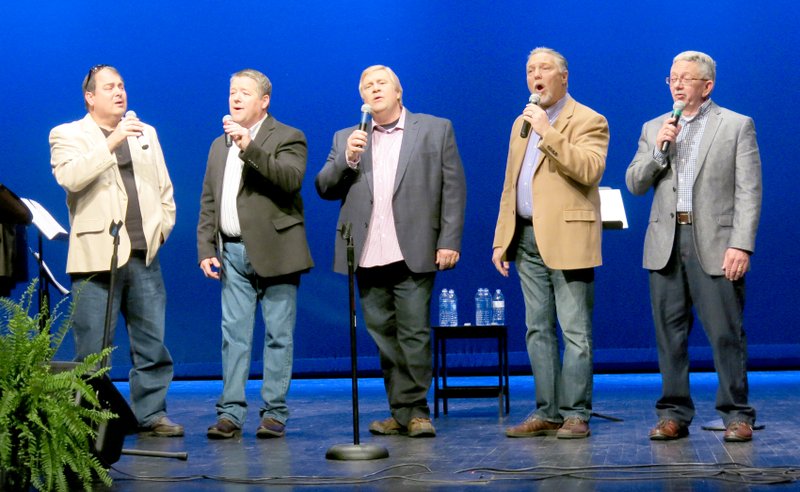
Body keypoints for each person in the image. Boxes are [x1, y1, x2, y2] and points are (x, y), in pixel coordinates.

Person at [316, 65, 466, 438]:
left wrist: (449, 240)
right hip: (367, 251)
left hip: (413, 247)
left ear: (399, 92)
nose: (373, 89)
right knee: (383, 335)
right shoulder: (347, 137)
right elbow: (324, 186)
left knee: (413, 333)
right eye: (366, 86)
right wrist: (347, 159)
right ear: (362, 98)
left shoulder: (434, 128)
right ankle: (400, 412)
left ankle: (417, 411)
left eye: (381, 83)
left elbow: (453, 188)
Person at [626, 51, 762, 443]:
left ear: (708, 85)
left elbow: (749, 191)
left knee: (725, 333)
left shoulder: (736, 125)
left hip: (716, 244)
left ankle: (737, 413)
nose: (678, 84)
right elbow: (635, 183)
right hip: (665, 243)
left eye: (686, 78)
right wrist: (658, 151)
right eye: (672, 78)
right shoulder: (655, 126)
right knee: (670, 334)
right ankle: (673, 413)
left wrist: (741, 244)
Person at [49, 65, 182, 437]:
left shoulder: (146, 133)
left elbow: (164, 188)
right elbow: (71, 178)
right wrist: (110, 142)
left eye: (122, 85)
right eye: (109, 87)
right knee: (93, 347)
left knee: (152, 342)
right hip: (97, 255)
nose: (119, 92)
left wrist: (161, 230)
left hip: (144, 254)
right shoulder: (67, 134)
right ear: (90, 97)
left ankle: (151, 413)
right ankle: (89, 420)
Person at [492, 48, 609, 439]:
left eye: (543, 69)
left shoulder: (589, 119)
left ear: (564, 77)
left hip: (568, 237)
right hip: (525, 237)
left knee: (575, 331)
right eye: (529, 70)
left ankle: (576, 413)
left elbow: (589, 169)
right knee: (536, 329)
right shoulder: (518, 124)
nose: (535, 75)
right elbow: (511, 186)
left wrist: (548, 131)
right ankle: (548, 410)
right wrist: (501, 239)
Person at [197, 69, 313, 440]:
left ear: (264, 100)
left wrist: (249, 146)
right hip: (230, 251)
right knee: (234, 336)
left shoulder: (289, 136)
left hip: (278, 251)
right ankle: (230, 412)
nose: (235, 97)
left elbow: (288, 179)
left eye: (244, 92)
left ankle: (274, 412)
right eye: (232, 91)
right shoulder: (219, 145)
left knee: (279, 334)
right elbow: (209, 200)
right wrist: (205, 248)